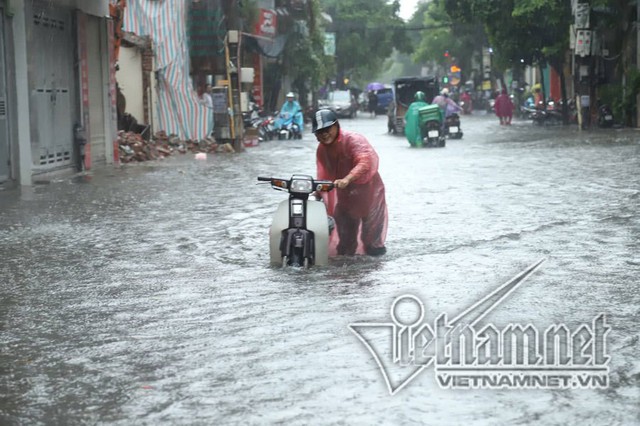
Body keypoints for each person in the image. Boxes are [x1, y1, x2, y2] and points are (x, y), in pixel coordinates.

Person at [312, 109, 388, 256]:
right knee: (345, 243)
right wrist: (317, 192)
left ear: (336, 126)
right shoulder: (322, 150)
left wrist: (348, 178)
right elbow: (324, 175)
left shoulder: (353, 140)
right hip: (346, 199)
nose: (324, 134)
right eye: (319, 131)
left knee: (372, 242)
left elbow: (365, 161)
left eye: (327, 129)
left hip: (369, 195)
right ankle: (345, 275)